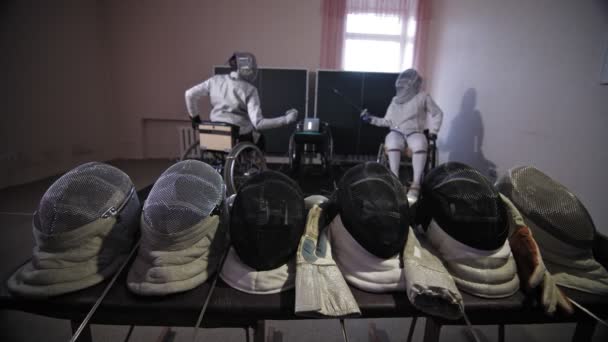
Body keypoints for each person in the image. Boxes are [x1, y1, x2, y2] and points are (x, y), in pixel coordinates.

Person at [360, 68, 443, 204]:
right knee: (392, 141)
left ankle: (416, 184)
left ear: (413, 84)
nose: (403, 87)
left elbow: (437, 113)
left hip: (415, 132)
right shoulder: (395, 101)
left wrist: (434, 131)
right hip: (397, 132)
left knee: (420, 144)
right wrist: (370, 119)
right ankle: (395, 180)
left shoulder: (423, 97)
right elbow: (386, 121)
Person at [185, 52, 298, 149]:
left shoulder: (214, 80)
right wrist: (286, 119)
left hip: (214, 129)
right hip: (238, 134)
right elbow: (258, 124)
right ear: (244, 69)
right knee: (259, 138)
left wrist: (195, 120)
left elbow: (189, 94)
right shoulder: (250, 90)